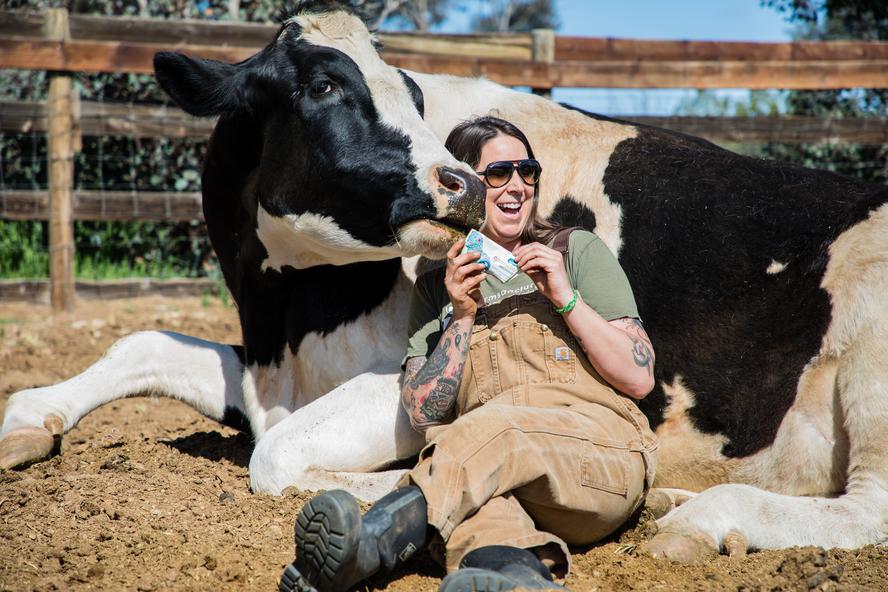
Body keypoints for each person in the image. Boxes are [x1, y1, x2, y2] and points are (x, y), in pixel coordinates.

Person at [279, 116, 659, 592]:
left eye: (528, 171)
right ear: (469, 184)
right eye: (500, 173)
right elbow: (422, 411)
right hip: (492, 472)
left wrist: (566, 297)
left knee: (495, 430)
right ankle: (519, 578)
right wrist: (460, 316)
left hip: (597, 462)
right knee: (478, 516)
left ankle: (372, 542)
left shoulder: (573, 250)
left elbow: (639, 377)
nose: (518, 186)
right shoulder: (437, 288)